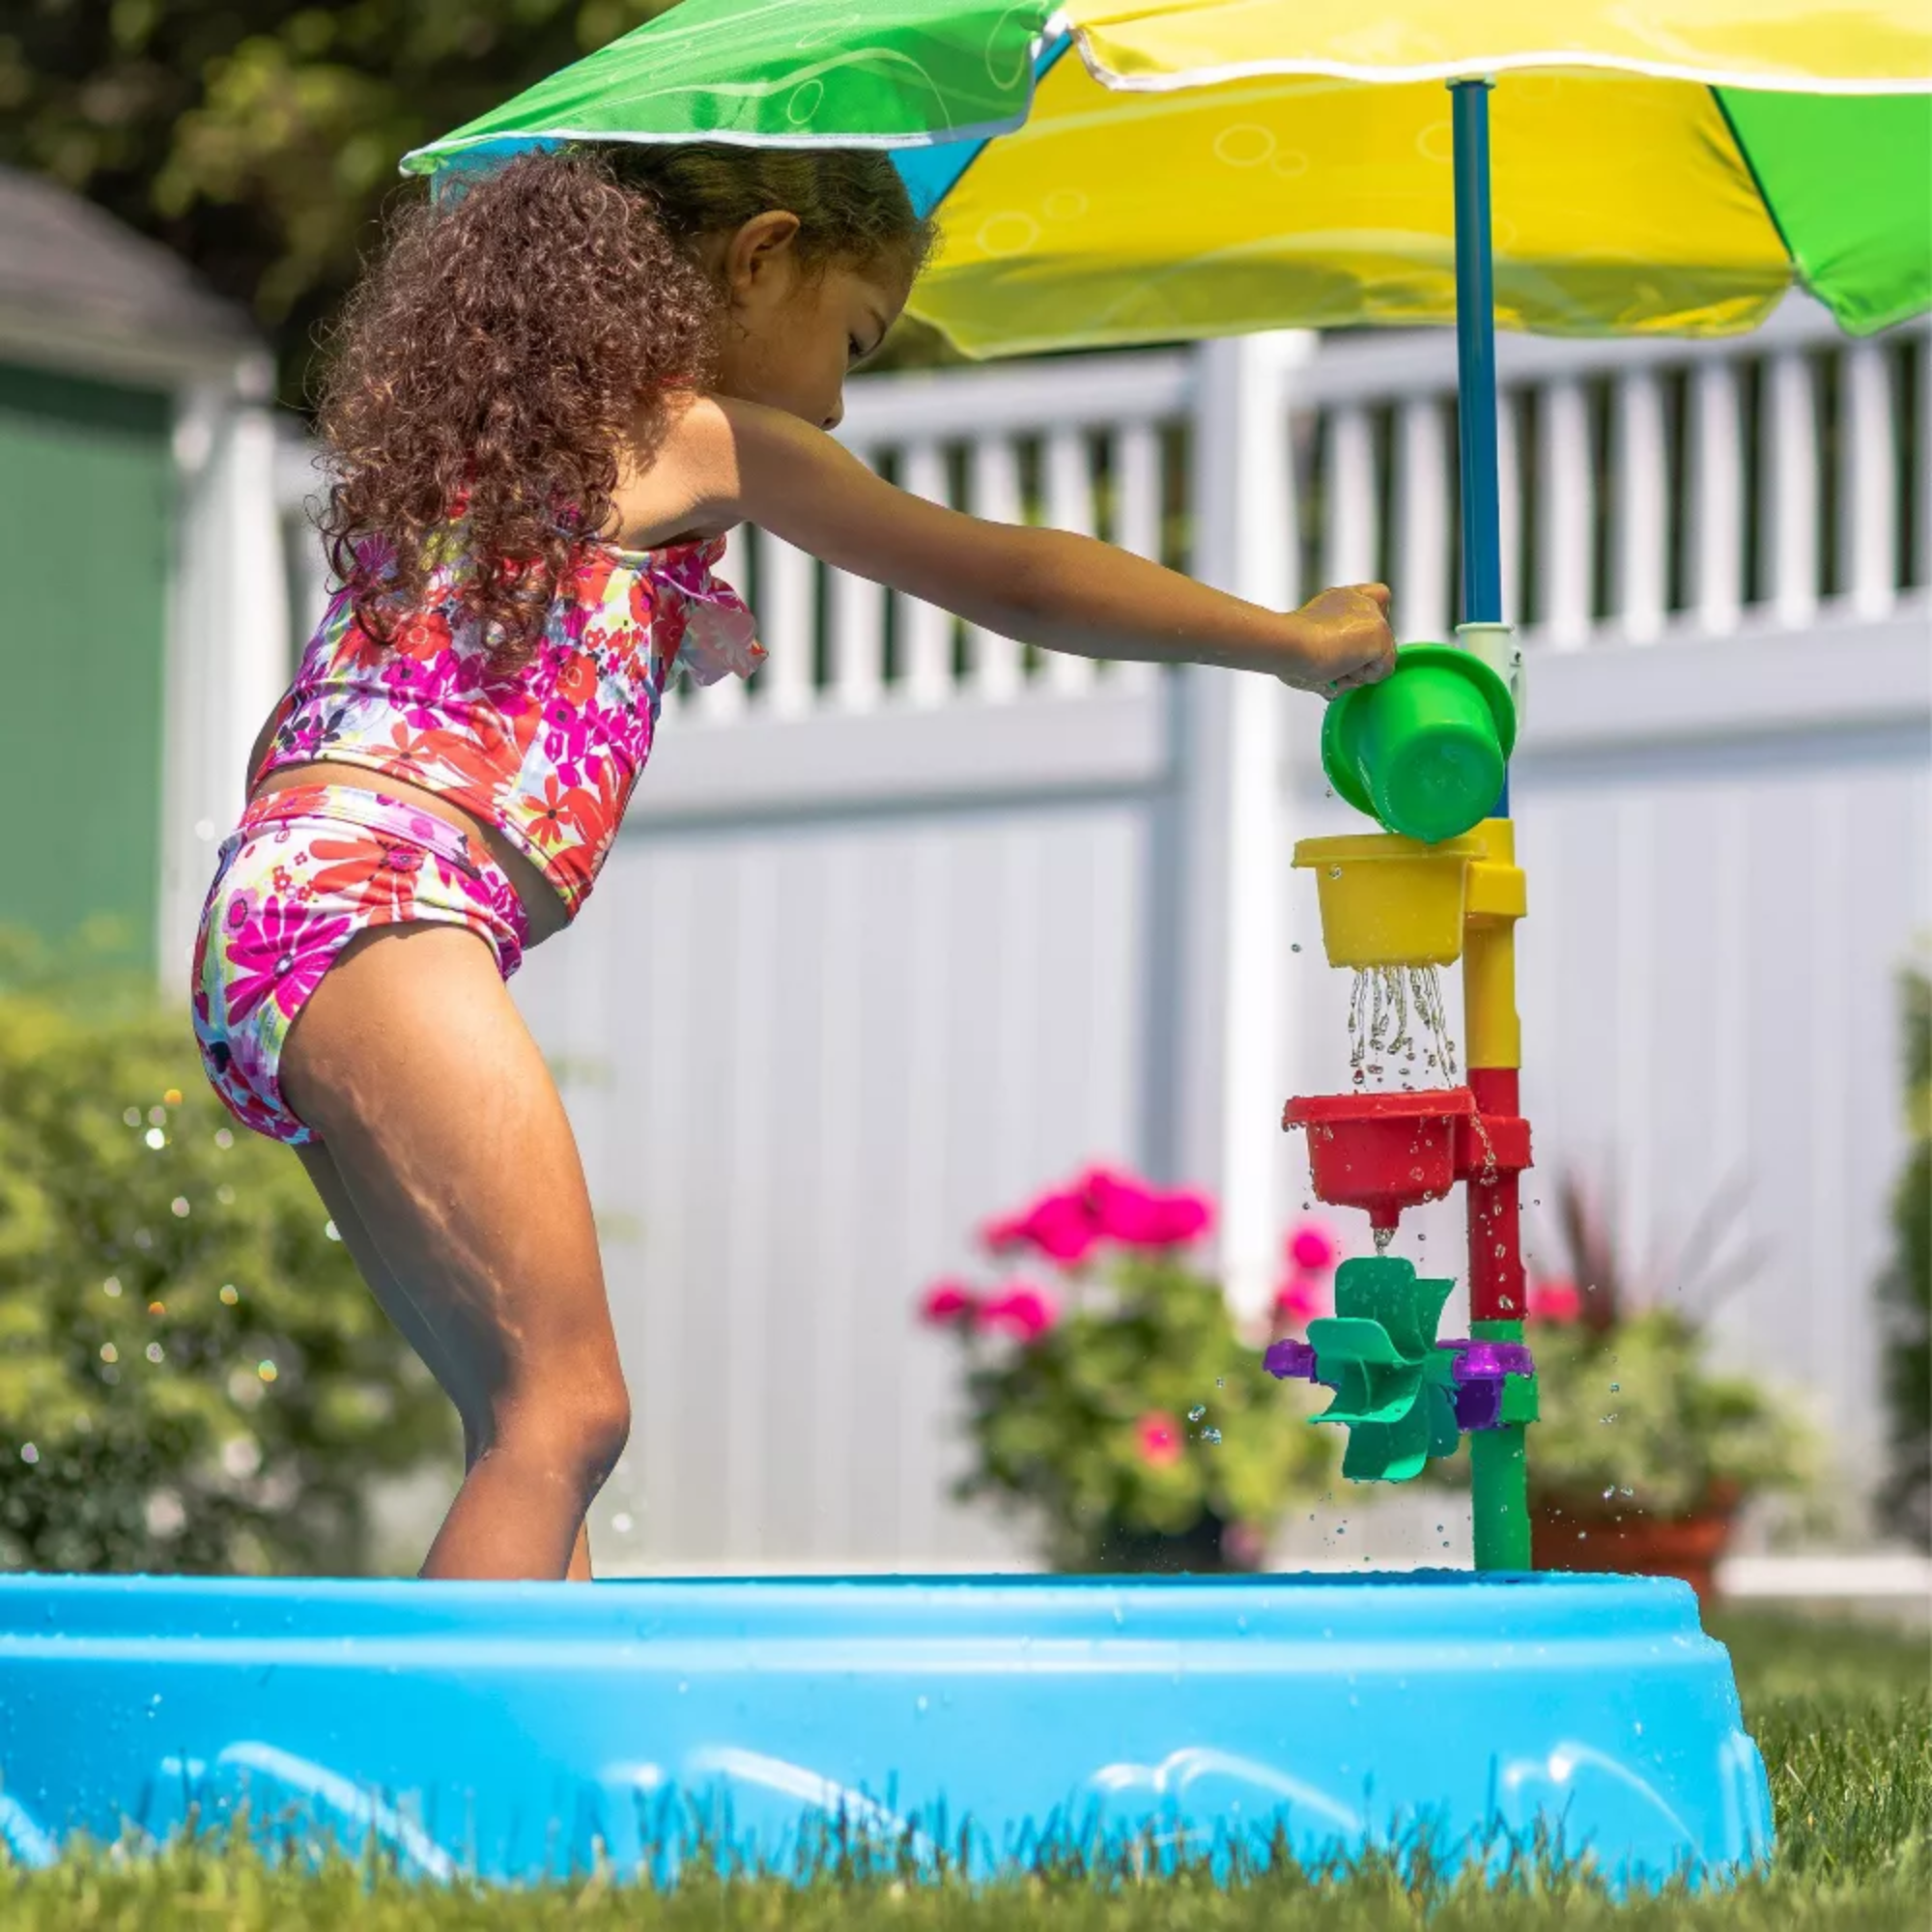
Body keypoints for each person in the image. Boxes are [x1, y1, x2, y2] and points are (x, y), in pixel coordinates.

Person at [192, 146, 1396, 1582]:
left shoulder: (500, 452)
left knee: (520, 1422)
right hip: (379, 907)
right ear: (761, 257)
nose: (835, 397)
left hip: (281, 912)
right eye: (854, 338)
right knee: (568, 1415)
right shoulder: (696, 438)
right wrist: (1296, 641)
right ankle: (418, 1801)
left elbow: (325, 722)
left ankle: (552, 1781)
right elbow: (1005, 572)